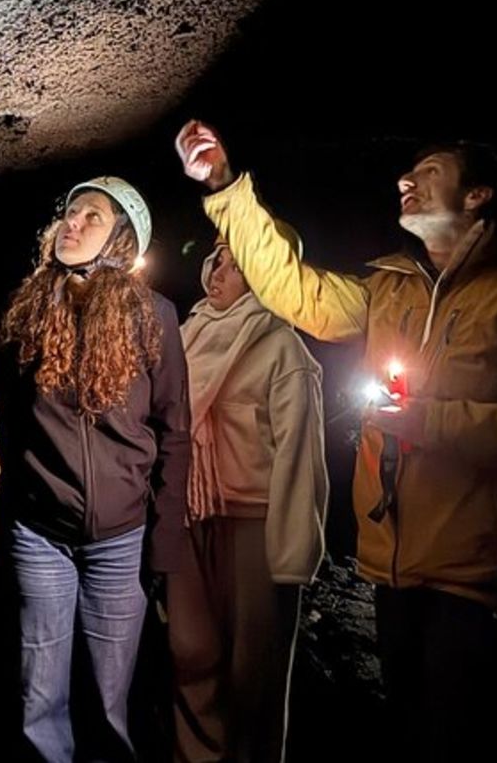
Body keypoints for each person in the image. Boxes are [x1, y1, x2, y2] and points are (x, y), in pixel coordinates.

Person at [175, 120, 497, 761]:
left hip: (476, 569)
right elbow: (296, 290)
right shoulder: (390, 289)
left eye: (430, 172)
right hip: (391, 564)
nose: (406, 180)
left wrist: (434, 423)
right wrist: (223, 185)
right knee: (406, 730)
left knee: (457, 736)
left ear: (478, 196)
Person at [0, 177, 190, 762]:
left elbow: (175, 434)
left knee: (109, 698)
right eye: (69, 212)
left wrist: (162, 547)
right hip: (40, 536)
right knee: (38, 694)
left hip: (121, 542)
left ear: (122, 242)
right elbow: (2, 417)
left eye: (92, 217)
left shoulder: (153, 316)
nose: (72, 223)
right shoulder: (31, 309)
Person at [169, 234, 329, 762]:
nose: (218, 272)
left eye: (236, 267)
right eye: (217, 260)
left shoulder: (282, 347)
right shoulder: (189, 334)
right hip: (194, 518)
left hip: (256, 526)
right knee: (191, 656)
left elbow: (299, 454)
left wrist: (291, 556)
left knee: (252, 672)